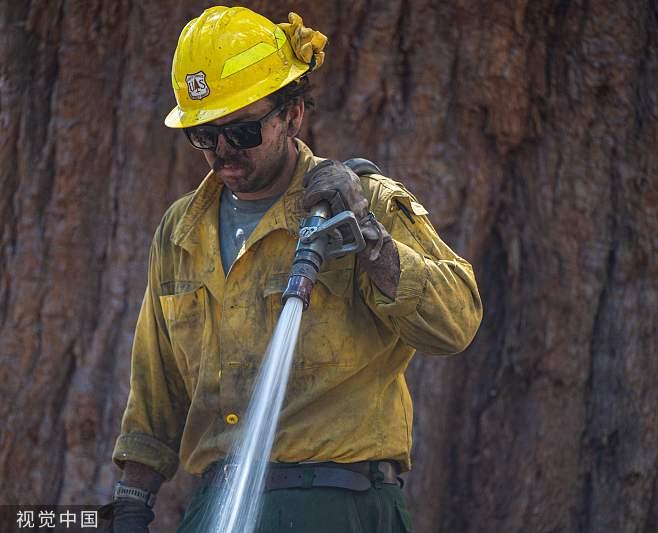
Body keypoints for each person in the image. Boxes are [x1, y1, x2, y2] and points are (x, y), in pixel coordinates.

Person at [105, 6, 482, 532]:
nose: (222, 154)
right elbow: (155, 393)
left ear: (292, 114)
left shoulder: (361, 203)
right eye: (204, 137)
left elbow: (456, 322)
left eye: (241, 132)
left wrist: (370, 239)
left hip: (340, 505)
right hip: (221, 505)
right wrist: (129, 504)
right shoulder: (180, 233)